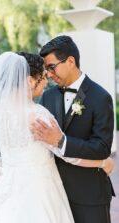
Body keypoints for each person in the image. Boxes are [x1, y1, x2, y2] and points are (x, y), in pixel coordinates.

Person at [0, 52, 114, 223]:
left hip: (5, 188)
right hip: (38, 191)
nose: (46, 82)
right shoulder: (37, 115)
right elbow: (65, 153)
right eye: (43, 76)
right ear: (30, 81)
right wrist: (103, 162)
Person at [31, 35, 115, 223]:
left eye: (52, 67)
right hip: (54, 195)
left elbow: (102, 148)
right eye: (47, 70)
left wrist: (62, 141)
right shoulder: (48, 97)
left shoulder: (101, 97)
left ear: (70, 61)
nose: (49, 75)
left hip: (90, 195)